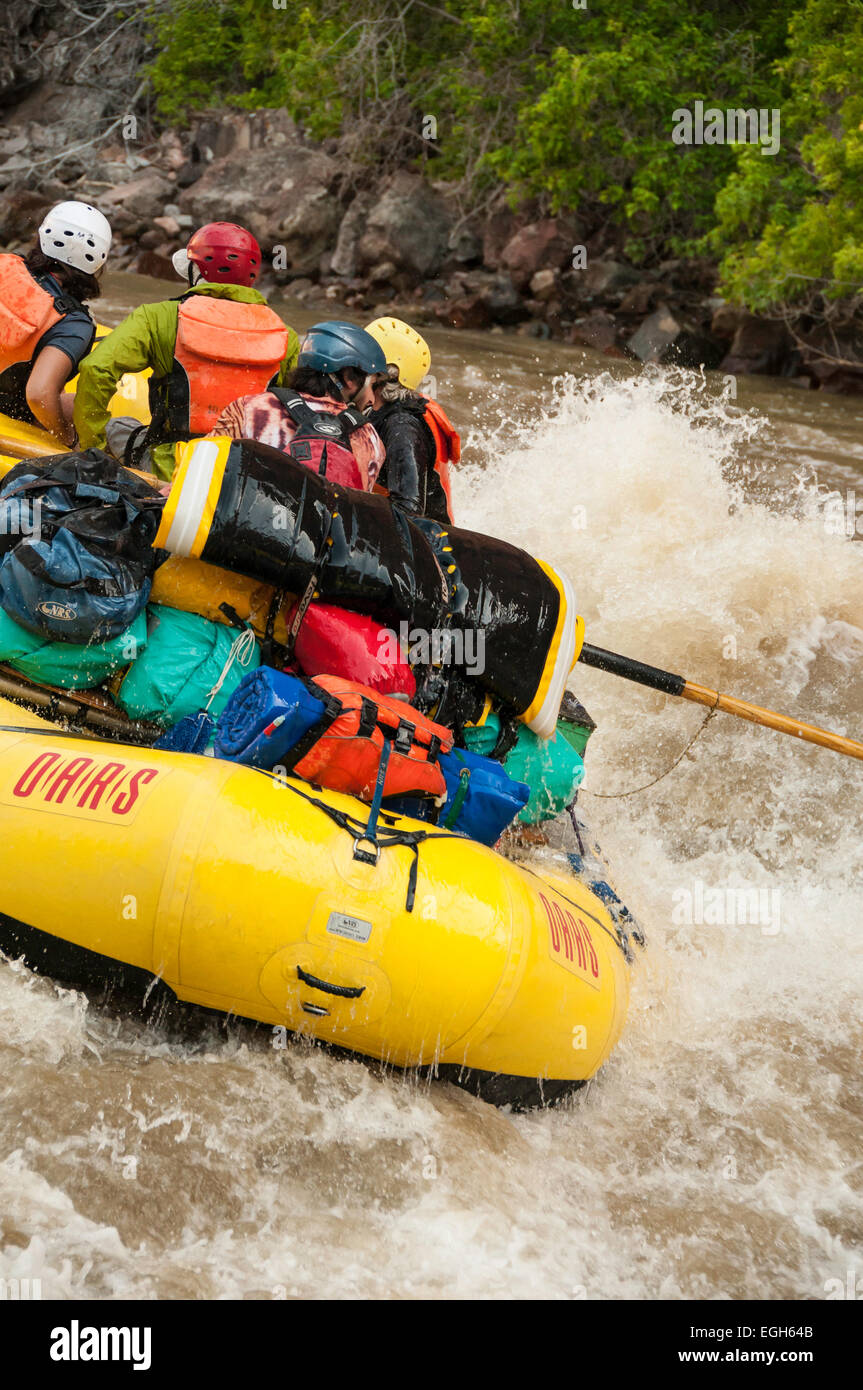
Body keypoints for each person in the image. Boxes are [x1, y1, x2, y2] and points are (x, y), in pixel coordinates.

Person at [73, 222, 300, 480]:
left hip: (168, 465)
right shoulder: (286, 336)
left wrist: (95, 446)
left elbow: (96, 369)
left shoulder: (158, 317)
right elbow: (299, 409)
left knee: (118, 426)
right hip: (243, 475)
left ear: (196, 271)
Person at [211, 320, 387, 491]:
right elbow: (359, 502)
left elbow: (206, 467)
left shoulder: (247, 408)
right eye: (372, 385)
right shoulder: (369, 436)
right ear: (349, 377)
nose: (372, 398)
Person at [0, 201, 112, 446]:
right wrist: (65, 436)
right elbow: (39, 394)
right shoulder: (73, 322)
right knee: (76, 408)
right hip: (7, 417)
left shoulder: (4, 263)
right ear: (97, 264)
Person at [364, 316, 459, 523]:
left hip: (430, 543)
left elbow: (409, 510)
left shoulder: (403, 428)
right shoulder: (377, 409)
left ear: (384, 373)